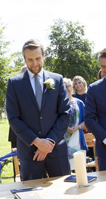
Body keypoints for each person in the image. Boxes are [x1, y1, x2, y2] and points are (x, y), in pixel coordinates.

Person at [6, 39, 71, 180]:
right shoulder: (14, 83)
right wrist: (36, 141)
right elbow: (13, 118)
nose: (34, 64)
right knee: (31, 196)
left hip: (56, 151)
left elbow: (64, 114)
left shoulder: (57, 80)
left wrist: (49, 143)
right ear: (24, 59)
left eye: (37, 58)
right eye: (30, 60)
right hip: (30, 153)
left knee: (65, 195)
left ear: (44, 56)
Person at [63, 78, 88, 163]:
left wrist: (78, 127)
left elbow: (87, 121)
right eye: (64, 86)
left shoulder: (79, 103)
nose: (66, 89)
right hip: (63, 141)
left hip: (78, 139)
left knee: (80, 168)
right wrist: (65, 128)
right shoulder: (57, 104)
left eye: (68, 86)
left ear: (71, 87)